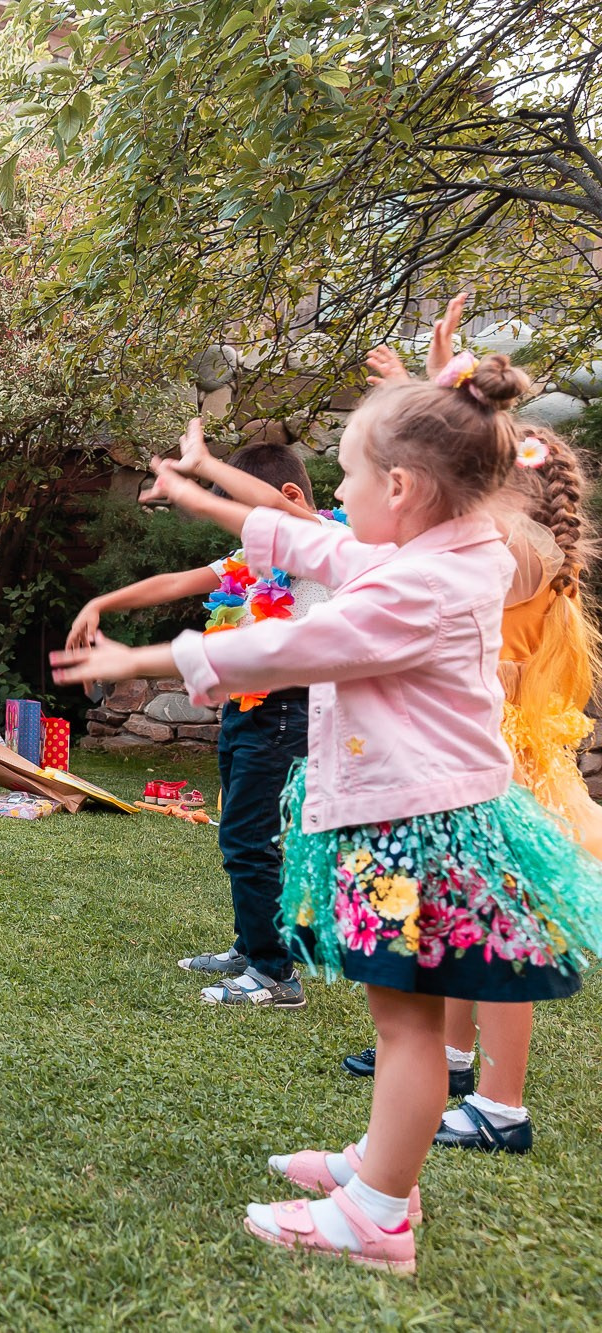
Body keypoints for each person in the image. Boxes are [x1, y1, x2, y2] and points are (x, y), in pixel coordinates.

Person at [52, 354, 602, 1273]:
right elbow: (316, 547)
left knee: (407, 1028)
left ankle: (379, 1215)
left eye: (347, 477)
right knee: (408, 1027)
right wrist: (205, 501)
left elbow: (293, 641)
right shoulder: (451, 550)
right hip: (431, 824)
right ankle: (380, 1168)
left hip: (413, 837)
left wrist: (134, 662)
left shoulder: (413, 587)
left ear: (402, 485)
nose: (336, 498)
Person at [333, 300, 602, 1152]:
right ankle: (450, 1061)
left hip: (509, 773)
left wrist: (432, 388)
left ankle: (501, 1104)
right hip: (484, 761)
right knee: (457, 925)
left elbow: (445, 490)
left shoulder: (517, 552)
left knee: (499, 941)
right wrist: (428, 384)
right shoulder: (511, 545)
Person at [69, 435, 327, 1007]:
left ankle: (276, 975)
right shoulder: (250, 560)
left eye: (245, 513)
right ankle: (254, 946)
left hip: (288, 708)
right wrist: (100, 604)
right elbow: (176, 583)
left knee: (250, 839)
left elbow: (290, 513)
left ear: (282, 499)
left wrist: (204, 469)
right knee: (241, 834)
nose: (240, 529)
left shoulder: (317, 542)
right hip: (246, 706)